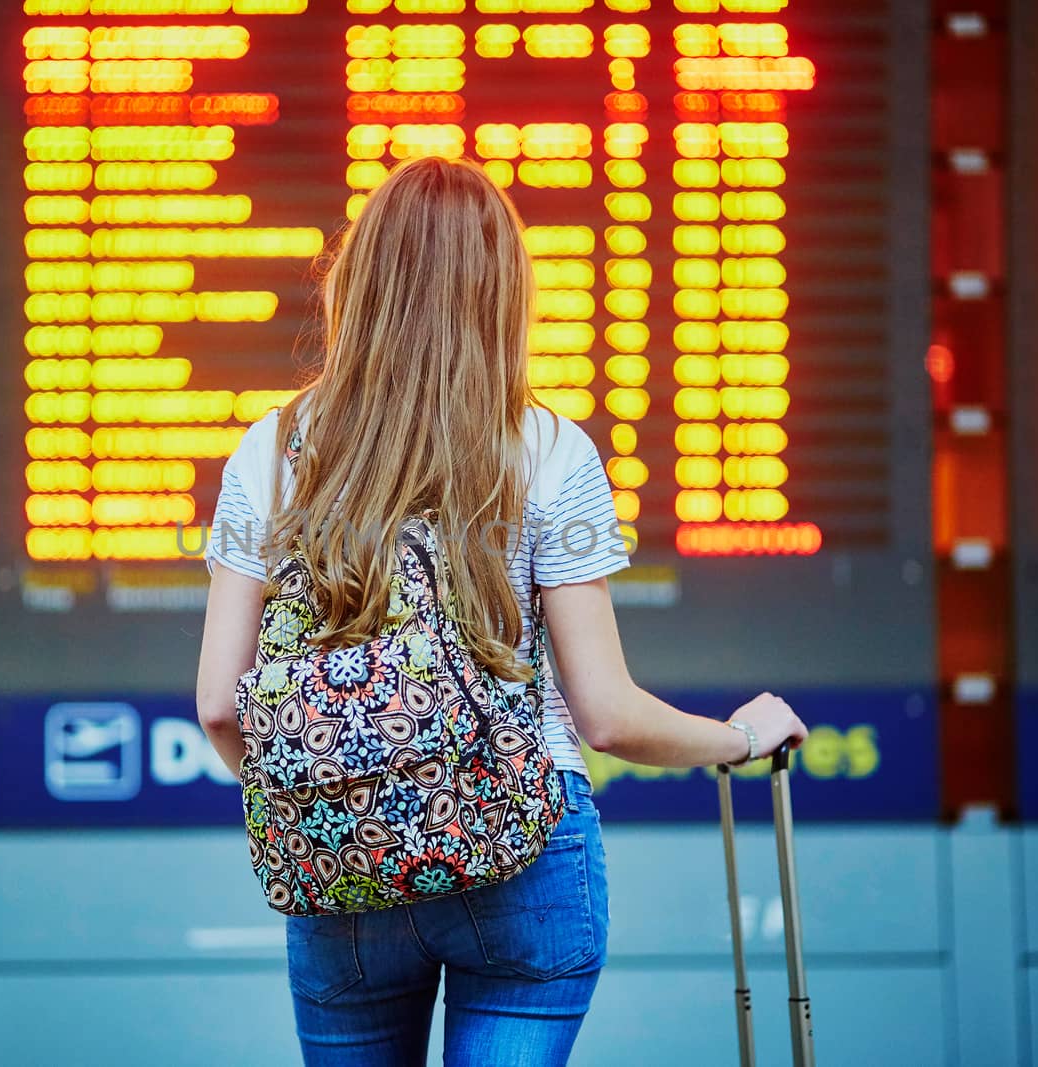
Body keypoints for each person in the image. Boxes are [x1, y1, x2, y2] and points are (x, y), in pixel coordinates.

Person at [194, 156, 808, 1067]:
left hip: (340, 872)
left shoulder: (272, 449)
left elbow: (218, 704)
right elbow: (603, 713)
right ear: (503, 292)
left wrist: (338, 798)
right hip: (521, 853)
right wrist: (738, 737)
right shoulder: (550, 452)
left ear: (357, 282)